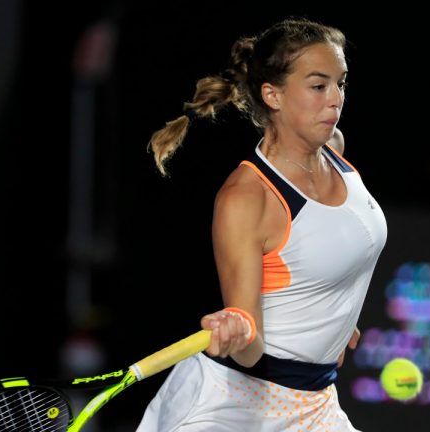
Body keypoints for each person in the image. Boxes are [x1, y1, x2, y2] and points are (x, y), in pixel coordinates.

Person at [138, 17, 387, 432]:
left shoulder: (334, 150)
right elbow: (250, 349)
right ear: (272, 94)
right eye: (318, 85)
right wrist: (236, 328)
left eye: (340, 84)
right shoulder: (246, 198)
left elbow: (326, 250)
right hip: (234, 404)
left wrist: (335, 317)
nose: (335, 100)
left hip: (314, 403)